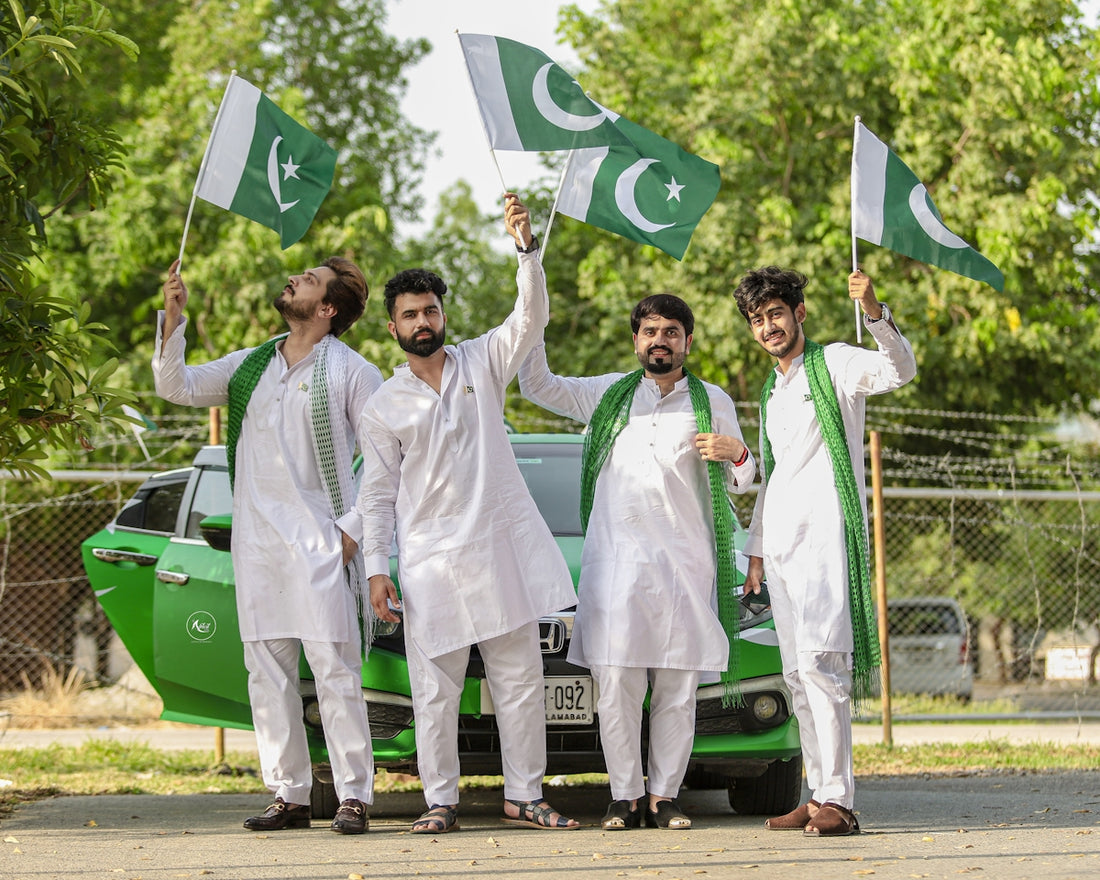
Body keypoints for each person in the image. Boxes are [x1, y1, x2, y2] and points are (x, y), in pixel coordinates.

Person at [355, 193, 579, 833]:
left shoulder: (483, 360)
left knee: (520, 680)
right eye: (409, 314)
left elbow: (530, 316)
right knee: (435, 691)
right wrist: (377, 569)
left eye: (430, 309)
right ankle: (440, 802)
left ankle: (524, 795)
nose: (422, 321)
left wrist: (525, 249)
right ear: (393, 328)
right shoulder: (384, 405)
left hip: (499, 552)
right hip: (431, 564)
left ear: (443, 315)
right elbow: (377, 494)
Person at [154, 256, 382, 834]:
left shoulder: (354, 372)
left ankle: (354, 794)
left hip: (321, 546)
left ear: (326, 308)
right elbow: (176, 386)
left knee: (334, 672)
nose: (295, 279)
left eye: (310, 280)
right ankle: (290, 794)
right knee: (267, 673)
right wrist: (173, 319)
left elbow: (386, 459)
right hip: (258, 548)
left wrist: (351, 532)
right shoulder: (251, 364)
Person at [519, 293, 756, 831]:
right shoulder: (608, 394)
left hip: (683, 570)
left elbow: (744, 480)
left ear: (687, 341)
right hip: (616, 569)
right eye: (650, 331)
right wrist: (533, 314)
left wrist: (737, 454)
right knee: (617, 691)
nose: (660, 341)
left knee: (677, 693)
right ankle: (624, 797)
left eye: (671, 332)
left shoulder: (712, 400)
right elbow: (536, 386)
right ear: (636, 341)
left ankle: (664, 797)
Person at [732, 267, 917, 837]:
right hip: (781, 548)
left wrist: (875, 312)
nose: (768, 327)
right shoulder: (772, 392)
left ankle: (840, 799)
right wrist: (756, 551)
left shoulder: (835, 363)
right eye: (758, 319)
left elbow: (899, 370)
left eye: (776, 314)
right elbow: (775, 476)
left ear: (800, 313)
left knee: (822, 665)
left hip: (826, 540)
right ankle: (816, 798)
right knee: (794, 674)